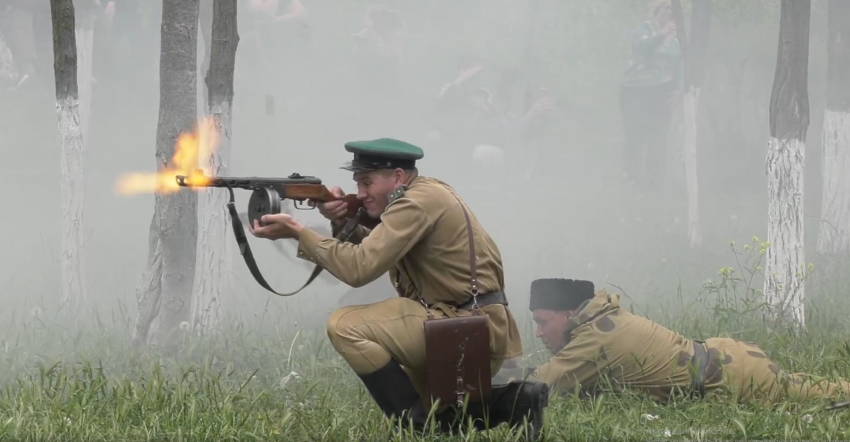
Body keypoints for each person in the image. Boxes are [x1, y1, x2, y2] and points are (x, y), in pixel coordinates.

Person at [248, 138, 549, 438]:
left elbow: (359, 268)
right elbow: (377, 247)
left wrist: (298, 233)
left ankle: (416, 428)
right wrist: (341, 218)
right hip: (466, 323)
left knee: (345, 326)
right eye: (358, 183)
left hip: (464, 326)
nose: (361, 193)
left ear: (398, 177)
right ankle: (516, 402)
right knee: (450, 416)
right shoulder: (422, 193)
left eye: (367, 182)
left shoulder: (414, 203)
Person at [509, 278, 850, 406]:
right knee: (818, 387)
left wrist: (494, 373)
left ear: (569, 313)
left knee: (823, 396)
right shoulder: (600, 322)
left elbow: (538, 386)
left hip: (733, 378)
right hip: (729, 360)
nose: (538, 332)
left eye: (542, 321)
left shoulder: (596, 339)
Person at [619, 0, 683, 190]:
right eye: (665, 8)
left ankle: (653, 186)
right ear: (656, 11)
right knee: (635, 137)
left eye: (672, 10)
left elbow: (682, 64)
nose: (669, 13)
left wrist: (680, 89)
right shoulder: (644, 28)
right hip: (635, 91)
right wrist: (664, 33)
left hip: (662, 93)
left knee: (658, 139)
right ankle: (631, 182)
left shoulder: (679, 38)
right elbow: (642, 48)